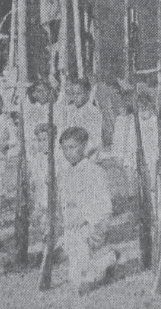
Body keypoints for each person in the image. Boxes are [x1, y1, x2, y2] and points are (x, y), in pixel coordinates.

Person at [57, 126, 118, 294]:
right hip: (72, 228)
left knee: (80, 279)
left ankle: (99, 267)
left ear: (83, 146)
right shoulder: (64, 174)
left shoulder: (95, 172)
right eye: (64, 148)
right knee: (72, 265)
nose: (68, 152)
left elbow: (105, 207)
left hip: (93, 226)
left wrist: (86, 218)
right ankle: (107, 259)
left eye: (72, 147)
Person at [56, 78, 107, 155]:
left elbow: (95, 141)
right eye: (73, 94)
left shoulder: (93, 112)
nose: (75, 96)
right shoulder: (69, 110)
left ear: (87, 94)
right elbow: (62, 131)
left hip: (86, 154)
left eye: (79, 93)